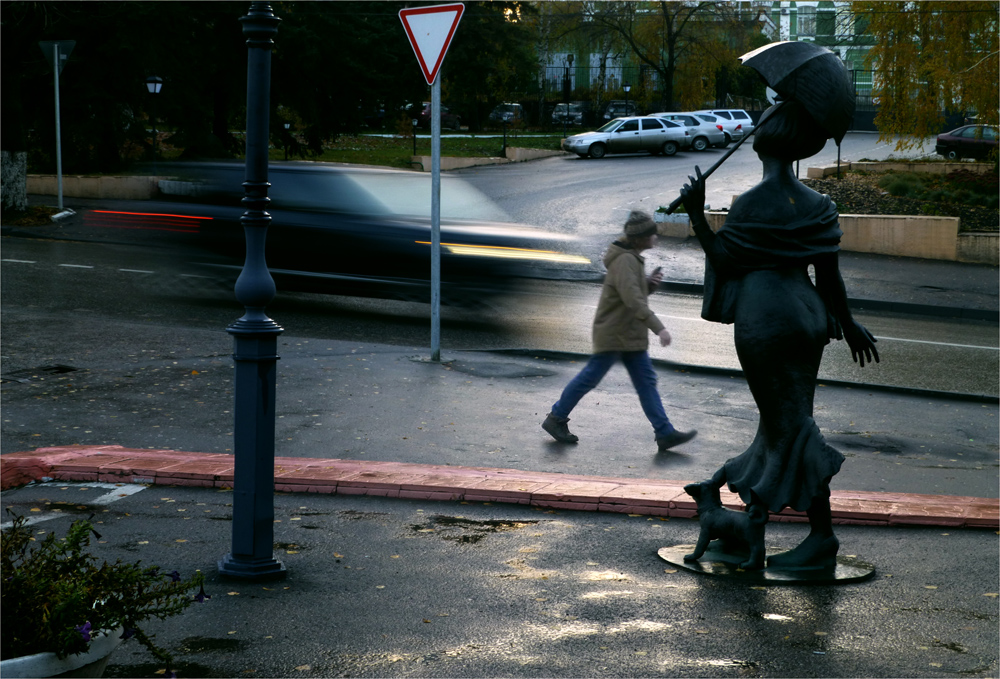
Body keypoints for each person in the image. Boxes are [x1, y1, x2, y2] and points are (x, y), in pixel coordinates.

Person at [679, 99, 879, 570]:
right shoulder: (818, 204)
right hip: (806, 315)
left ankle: (821, 535)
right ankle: (752, 522)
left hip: (765, 319)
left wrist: (695, 213)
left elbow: (726, 262)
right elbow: (829, 277)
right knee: (783, 421)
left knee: (789, 426)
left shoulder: (752, 202)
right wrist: (847, 324)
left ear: (765, 143)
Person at [541, 210, 697, 453]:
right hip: (615, 334)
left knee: (646, 382)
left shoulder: (630, 258)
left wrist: (648, 285)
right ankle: (556, 418)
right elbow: (633, 300)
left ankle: (665, 432)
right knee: (589, 379)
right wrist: (660, 329)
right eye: (651, 234)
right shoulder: (625, 260)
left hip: (628, 335)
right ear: (639, 238)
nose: (656, 237)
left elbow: (632, 292)